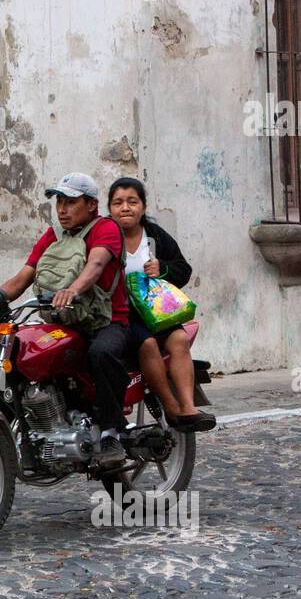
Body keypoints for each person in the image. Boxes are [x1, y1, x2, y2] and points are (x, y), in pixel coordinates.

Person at [0, 173, 129, 469]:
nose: (62, 209)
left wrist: (73, 289)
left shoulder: (106, 228)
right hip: (64, 322)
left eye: (71, 202)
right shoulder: (54, 235)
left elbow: (95, 265)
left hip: (104, 321)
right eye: (59, 202)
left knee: (102, 353)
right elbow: (22, 278)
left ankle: (111, 433)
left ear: (92, 204)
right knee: (20, 351)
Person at [107, 177, 215, 432]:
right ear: (109, 209)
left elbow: (183, 270)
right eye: (118, 202)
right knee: (147, 344)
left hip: (155, 311)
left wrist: (162, 268)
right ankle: (170, 406)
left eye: (132, 201)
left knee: (178, 340)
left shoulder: (154, 236)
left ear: (143, 206)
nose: (125, 208)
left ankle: (188, 407)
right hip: (123, 314)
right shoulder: (105, 236)